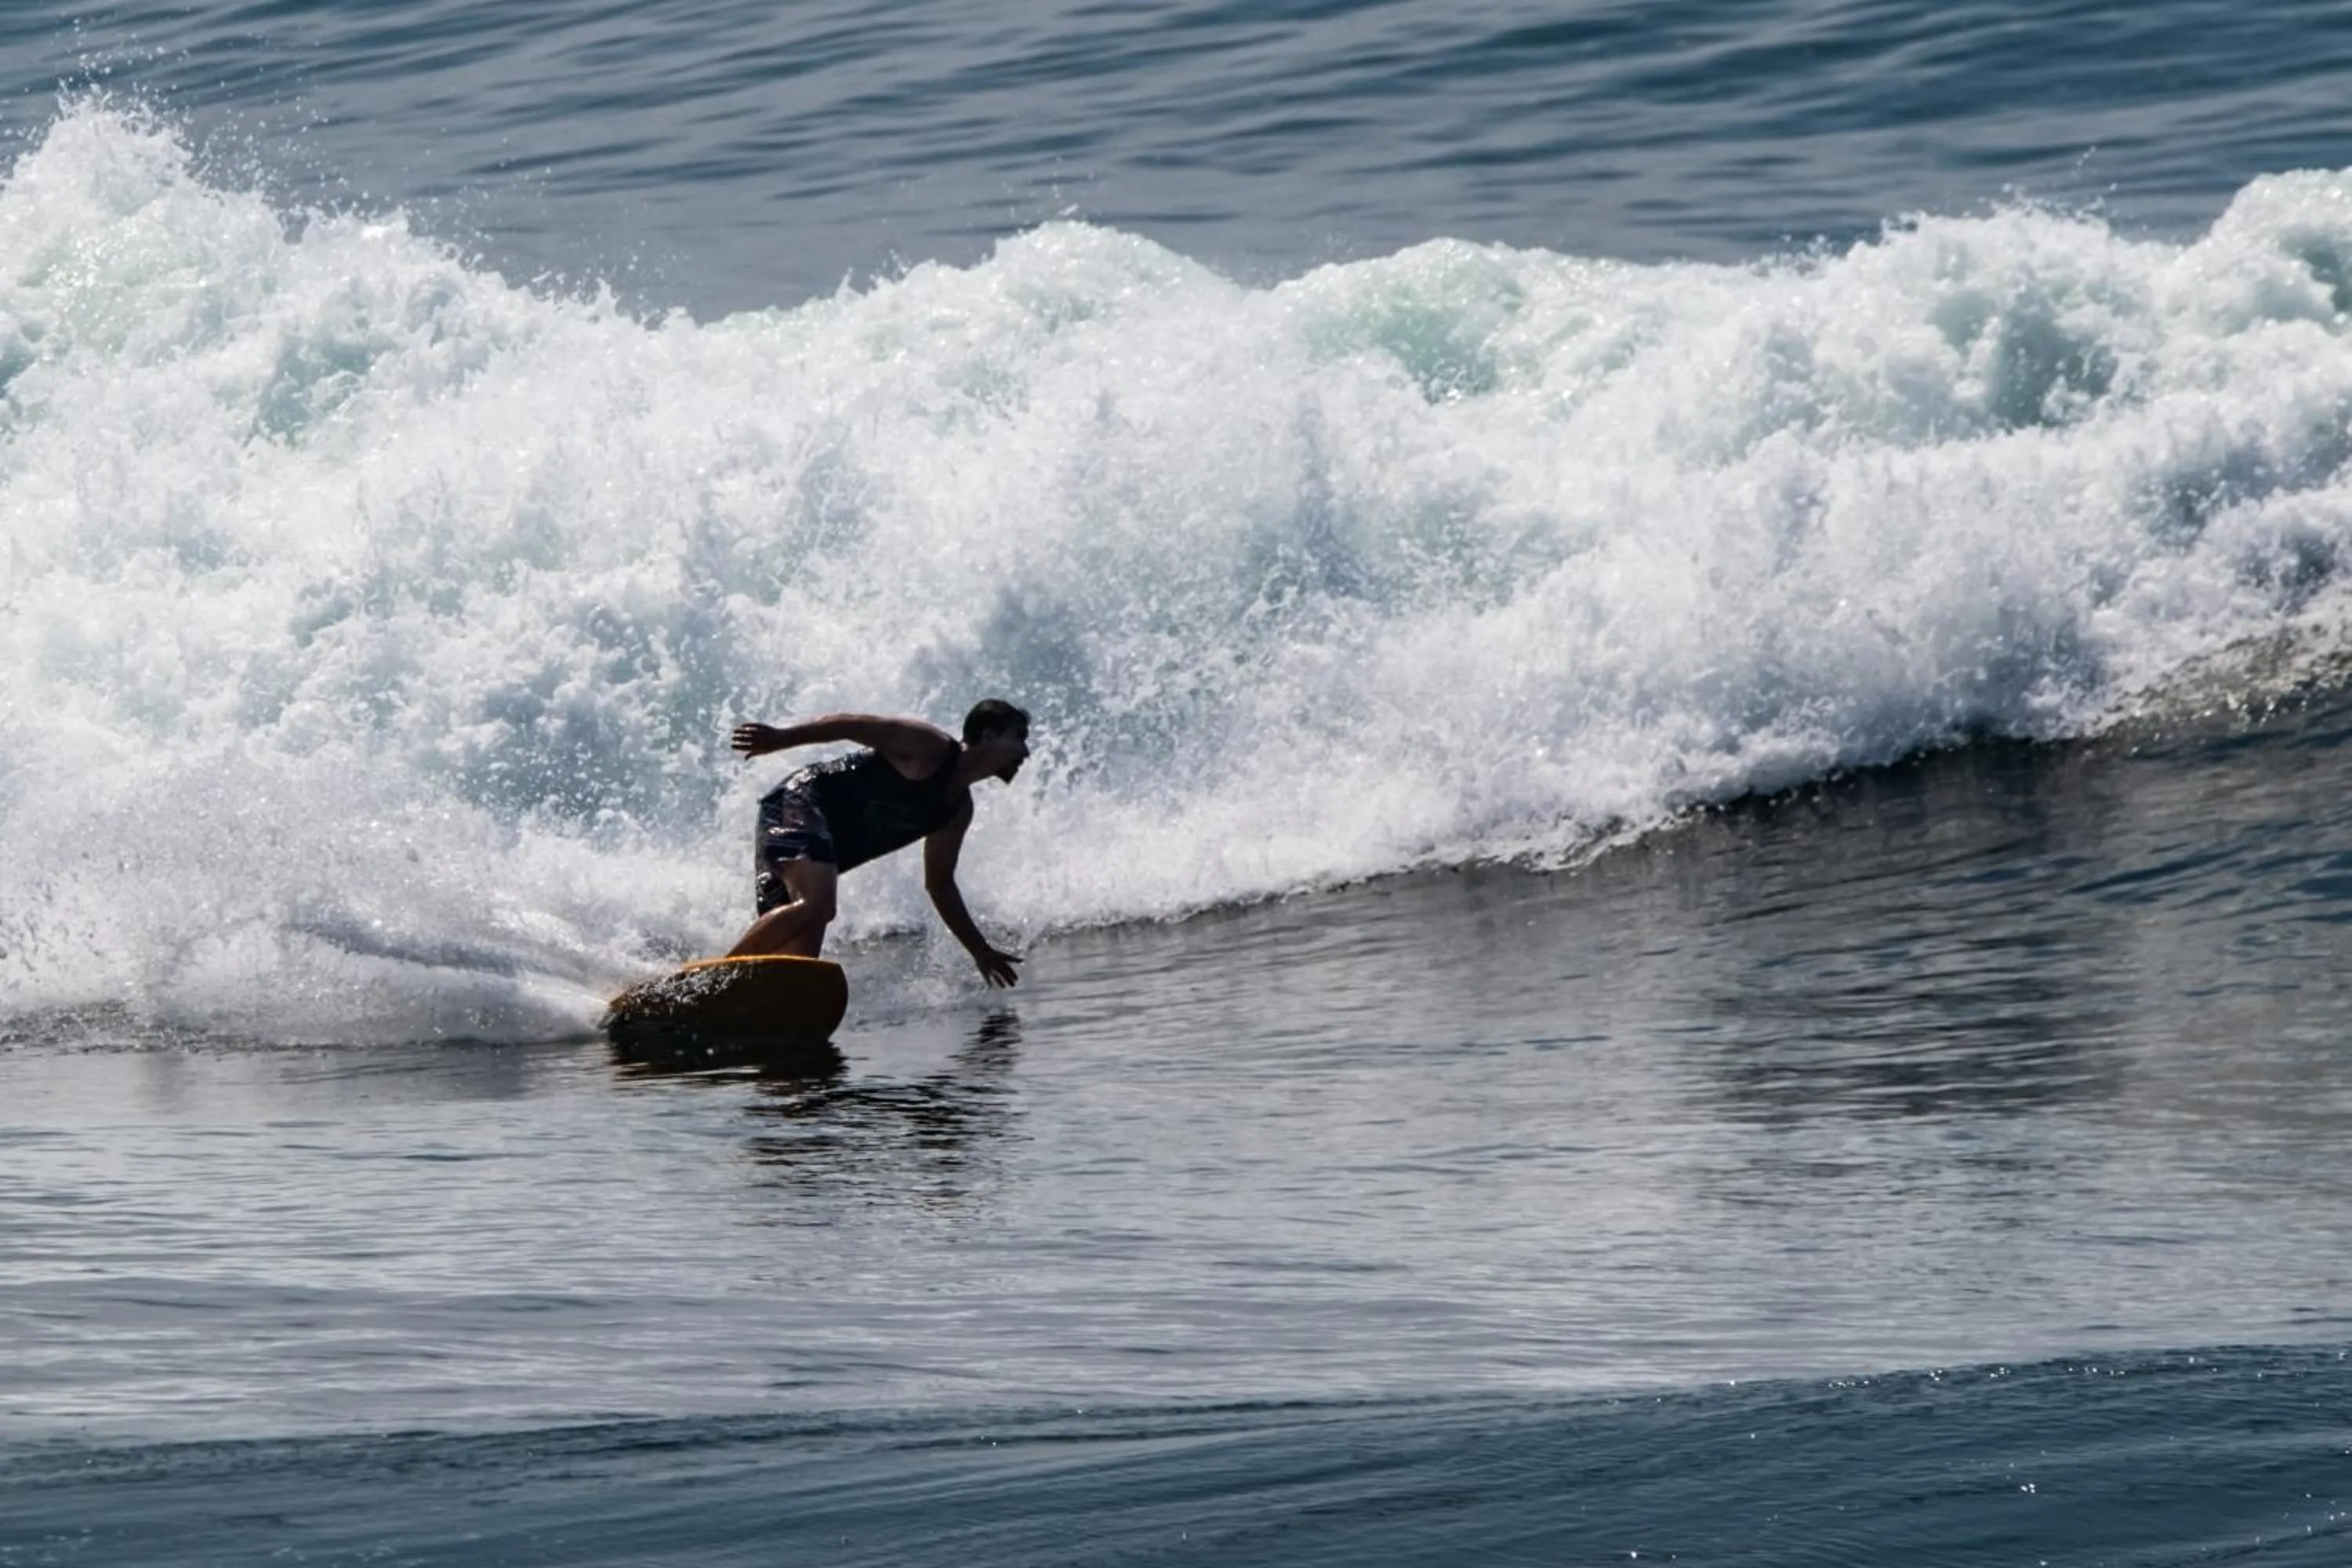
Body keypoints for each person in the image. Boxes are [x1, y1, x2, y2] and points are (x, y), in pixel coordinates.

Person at [724, 699, 1030, 987]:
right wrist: (782, 738)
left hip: (819, 849)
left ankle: (729, 1010)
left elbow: (940, 884)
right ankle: (711, 980)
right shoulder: (929, 746)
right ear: (989, 735)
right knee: (818, 905)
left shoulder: (956, 811)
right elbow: (851, 725)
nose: (1025, 751)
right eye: (1019, 737)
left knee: (795, 969)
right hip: (799, 803)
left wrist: (980, 950)